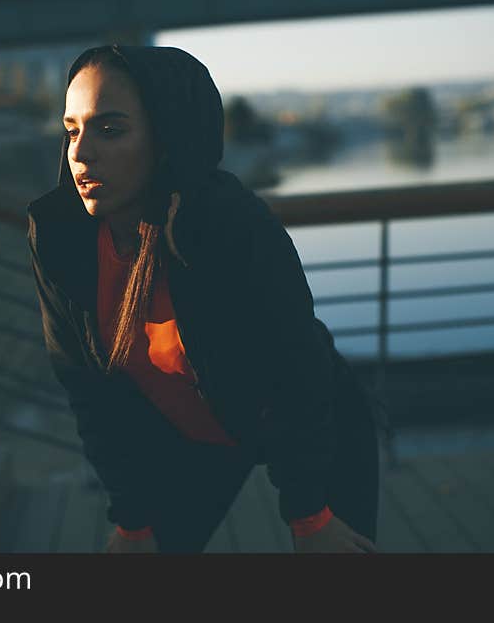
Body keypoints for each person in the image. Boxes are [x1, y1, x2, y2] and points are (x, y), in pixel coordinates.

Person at [27, 44, 388, 553]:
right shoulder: (62, 242)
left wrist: (309, 515)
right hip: (192, 438)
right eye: (72, 130)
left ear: (167, 136)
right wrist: (132, 520)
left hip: (315, 426)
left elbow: (298, 375)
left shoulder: (231, 226)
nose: (81, 153)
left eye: (110, 129)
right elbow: (92, 395)